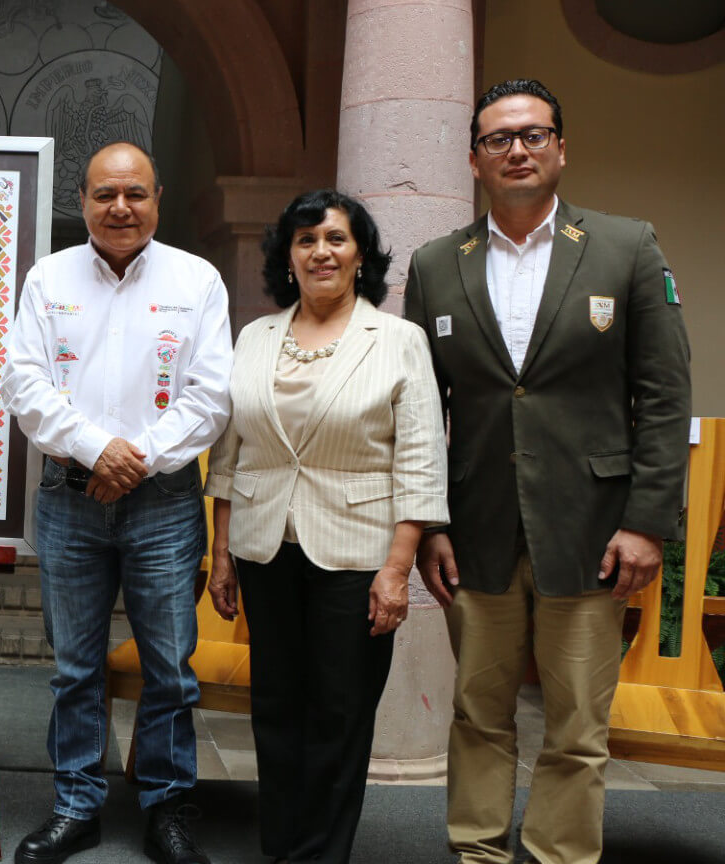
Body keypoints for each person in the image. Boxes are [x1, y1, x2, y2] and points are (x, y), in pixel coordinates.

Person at [403, 79, 690, 864]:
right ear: (473, 159)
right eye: (499, 139)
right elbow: (422, 412)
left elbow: (664, 395)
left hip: (595, 532)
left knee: (576, 726)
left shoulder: (628, 247)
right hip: (476, 529)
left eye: (534, 135)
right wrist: (428, 524)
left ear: (562, 148)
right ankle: (479, 852)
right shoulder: (435, 266)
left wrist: (646, 522)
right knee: (478, 711)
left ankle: (560, 856)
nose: (518, 149)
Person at [0, 141, 233, 864]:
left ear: (157, 199)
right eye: (106, 194)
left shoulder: (197, 280)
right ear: (84, 200)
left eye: (135, 193)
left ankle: (167, 806)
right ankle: (77, 804)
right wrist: (98, 449)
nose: (120, 207)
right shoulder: (48, 278)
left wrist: (135, 461)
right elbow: (24, 385)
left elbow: (211, 394)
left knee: (169, 665)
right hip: (70, 501)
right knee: (75, 667)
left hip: (163, 503)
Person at [205, 189, 448, 863]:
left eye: (336, 238)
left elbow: (423, 462)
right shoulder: (255, 336)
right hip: (263, 546)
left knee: (339, 716)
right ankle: (280, 848)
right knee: (276, 707)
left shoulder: (399, 341)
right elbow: (231, 453)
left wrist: (397, 569)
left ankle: (320, 855)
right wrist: (221, 553)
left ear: (360, 254)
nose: (321, 251)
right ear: (288, 256)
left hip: (358, 553)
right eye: (306, 239)